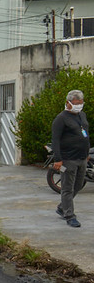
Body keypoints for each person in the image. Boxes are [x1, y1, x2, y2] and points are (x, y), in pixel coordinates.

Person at [52, 89, 90, 228]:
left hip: (81, 157)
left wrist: (86, 152)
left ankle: (62, 207)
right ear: (68, 103)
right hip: (68, 159)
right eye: (76, 103)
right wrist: (58, 159)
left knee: (79, 185)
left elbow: (85, 134)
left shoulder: (82, 115)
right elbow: (55, 140)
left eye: (81, 103)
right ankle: (69, 215)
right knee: (67, 188)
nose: (79, 105)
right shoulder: (61, 118)